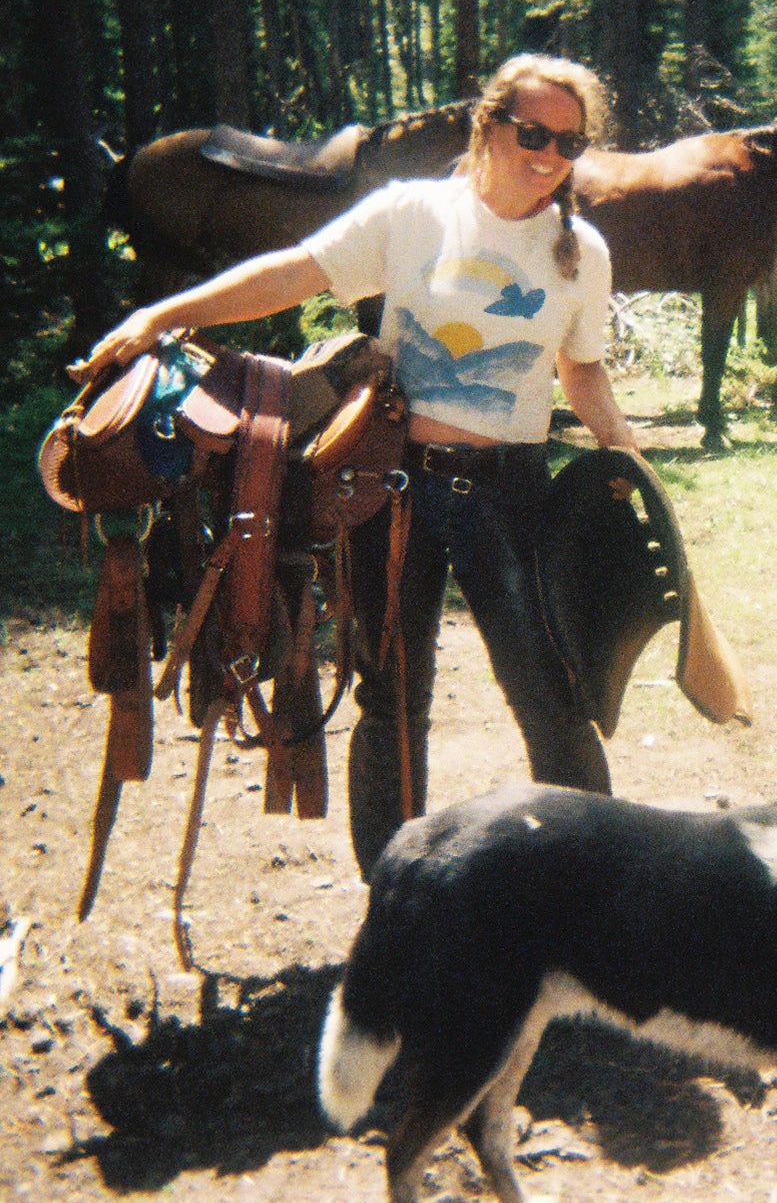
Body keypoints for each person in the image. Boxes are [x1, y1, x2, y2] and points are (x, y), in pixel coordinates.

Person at [76, 53, 640, 875]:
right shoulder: (411, 213)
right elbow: (294, 271)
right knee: (391, 698)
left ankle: (598, 889)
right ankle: (397, 890)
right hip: (391, 487)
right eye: (533, 133)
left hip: (512, 493)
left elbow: (581, 369)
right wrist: (165, 313)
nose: (550, 155)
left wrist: (626, 455)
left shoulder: (579, 251)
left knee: (551, 693)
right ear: (490, 126)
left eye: (569, 142)